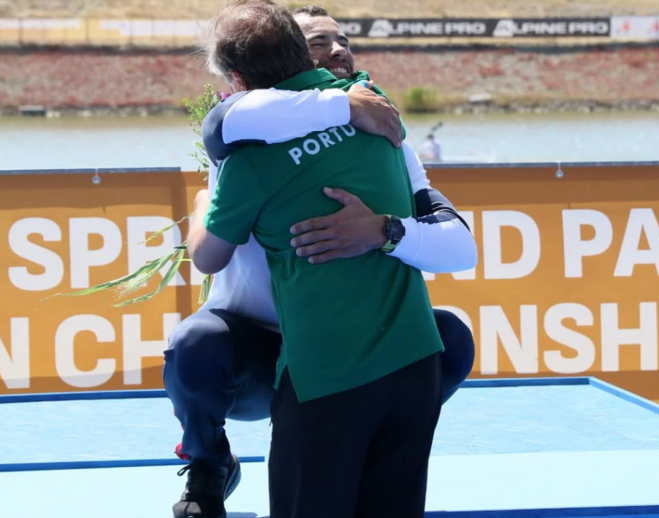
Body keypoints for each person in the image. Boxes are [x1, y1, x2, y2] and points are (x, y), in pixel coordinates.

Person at [163, 4, 478, 518]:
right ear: (289, 59)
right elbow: (224, 121)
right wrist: (342, 109)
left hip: (338, 362)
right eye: (316, 43)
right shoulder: (243, 138)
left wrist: (383, 231)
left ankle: (369, 442)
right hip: (273, 351)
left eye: (343, 41)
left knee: (450, 338)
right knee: (195, 348)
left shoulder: (385, 127)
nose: (336, 50)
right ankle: (209, 463)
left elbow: (461, 246)